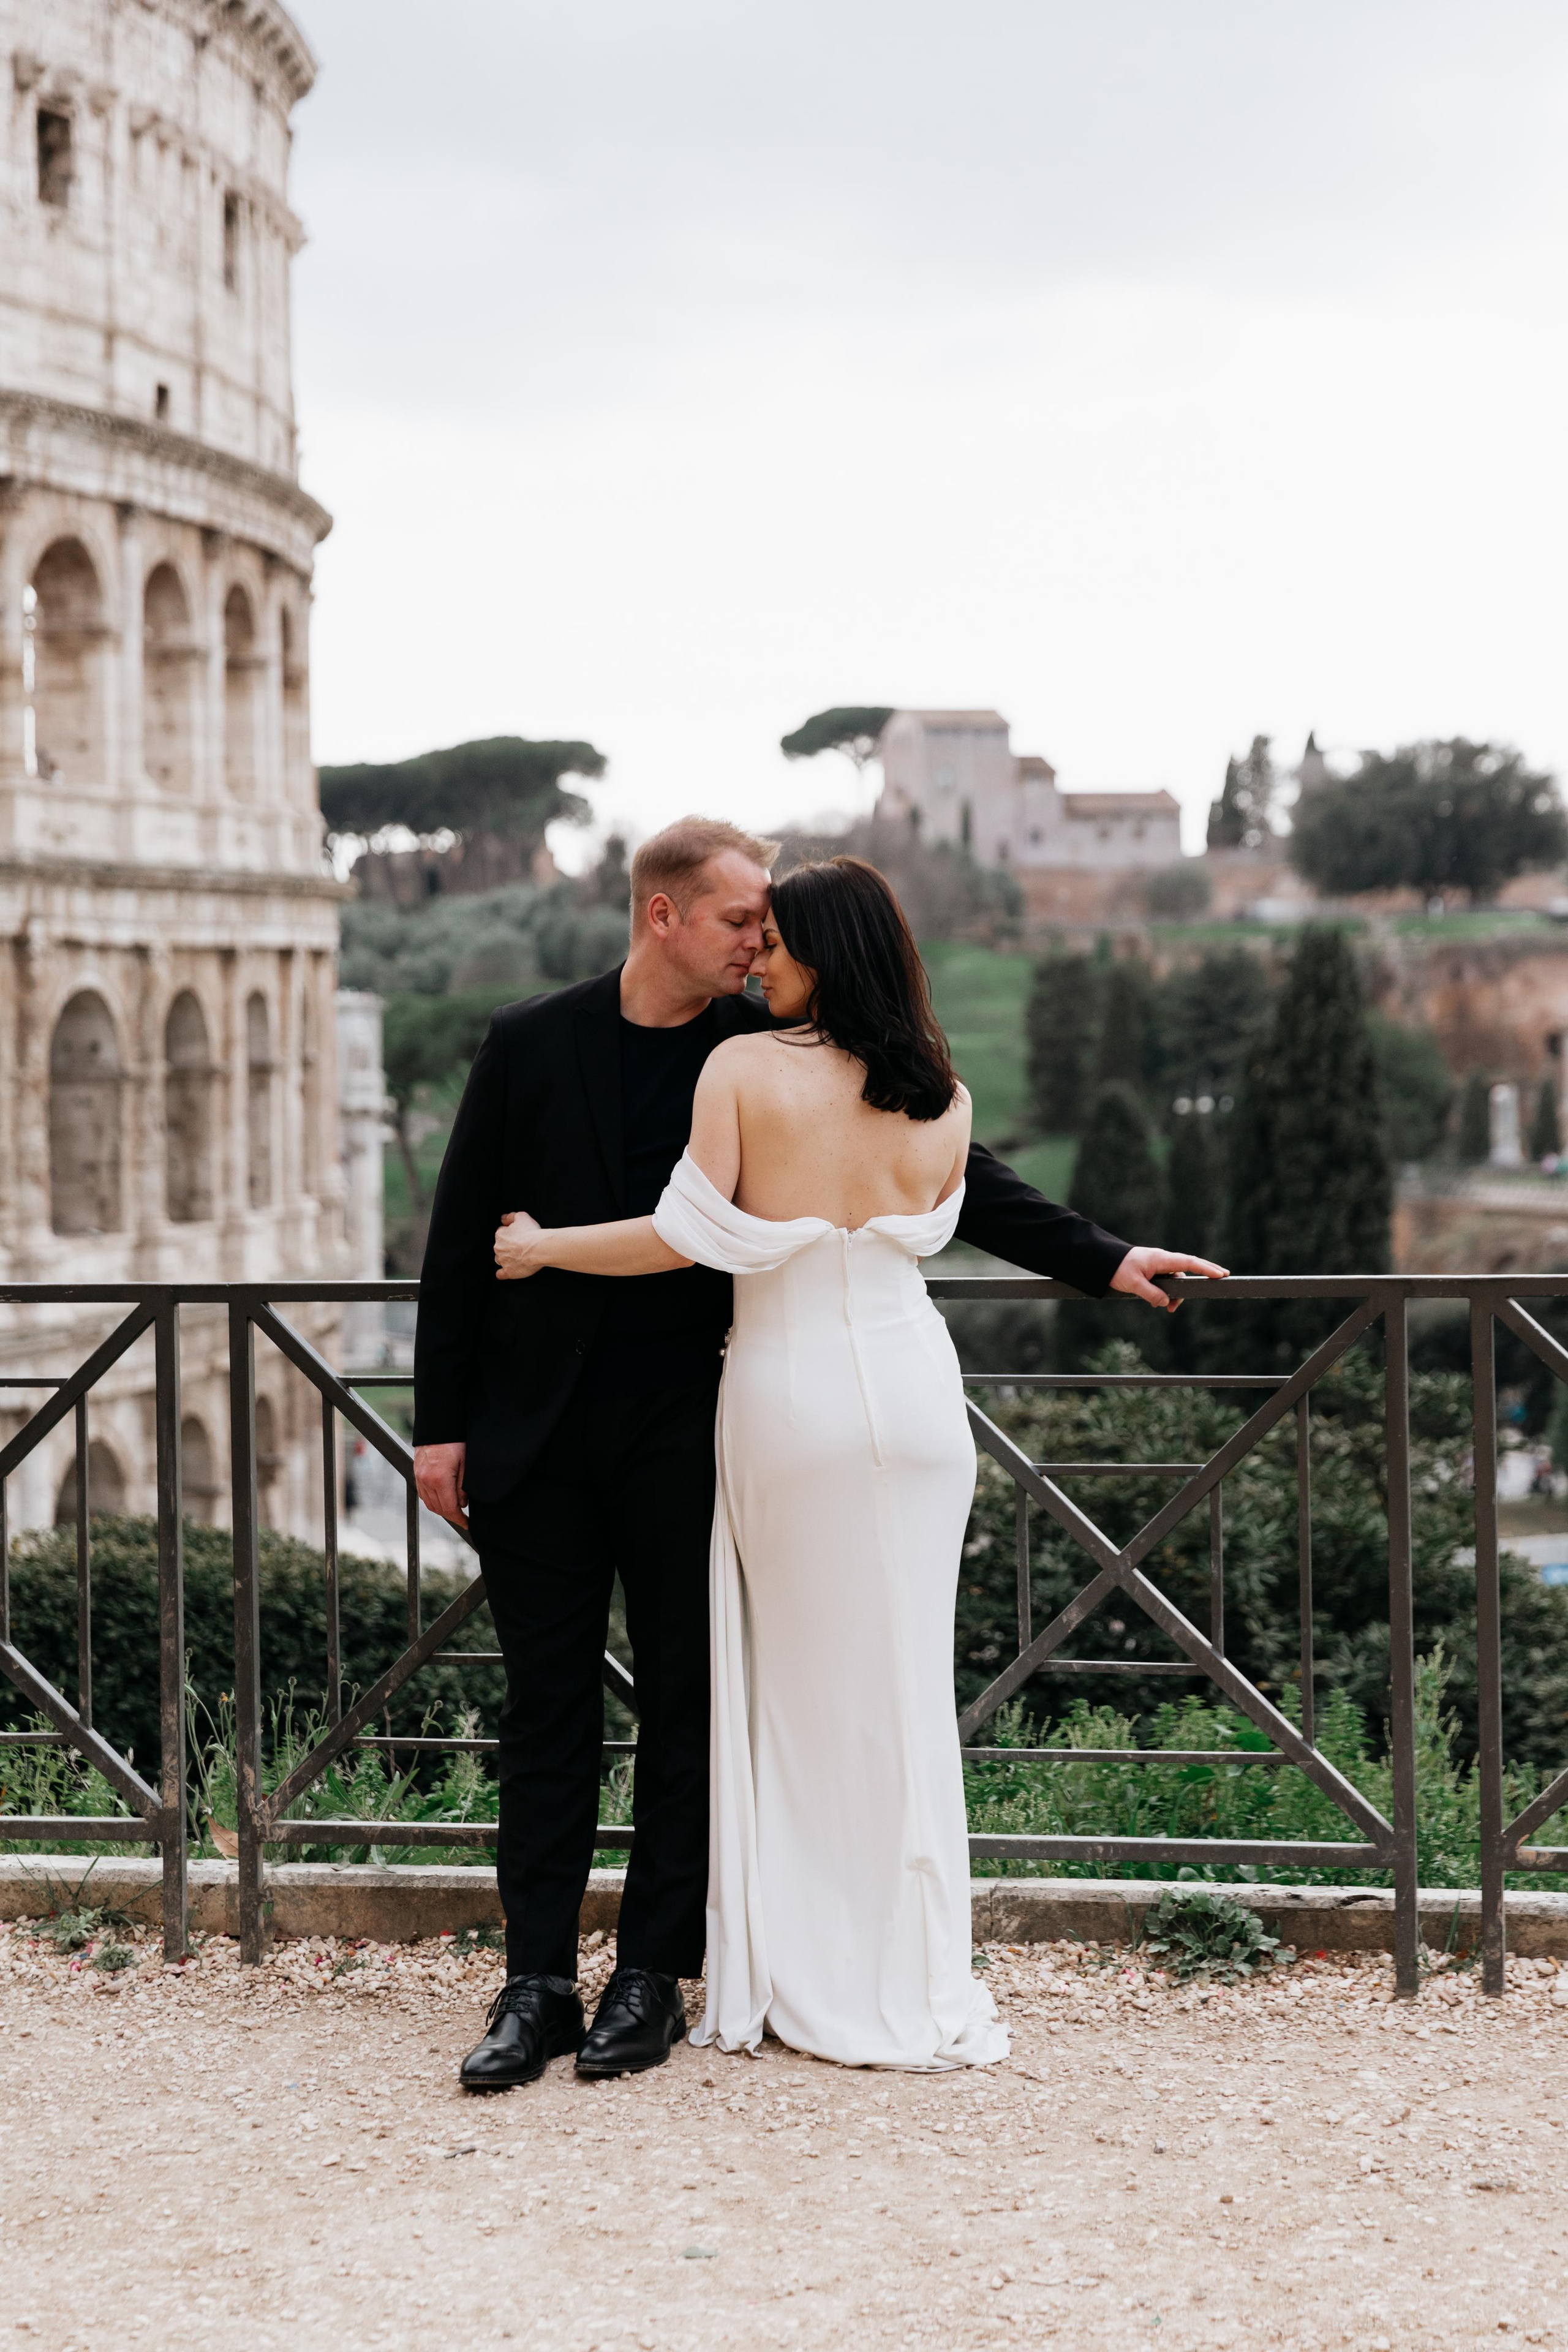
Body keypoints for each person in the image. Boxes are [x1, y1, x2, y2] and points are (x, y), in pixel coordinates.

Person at [412, 820, 1222, 2086]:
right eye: (739, 918)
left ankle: (647, 1978)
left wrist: (1098, 1255)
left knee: (693, 1706)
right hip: (538, 1432)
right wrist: (437, 1425)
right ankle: (532, 1986)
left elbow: (958, 1167)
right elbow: (459, 1234)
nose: (756, 939)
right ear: (663, 915)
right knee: (545, 1713)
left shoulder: (761, 1050)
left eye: (771, 927)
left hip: (698, 1425)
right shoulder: (529, 1040)